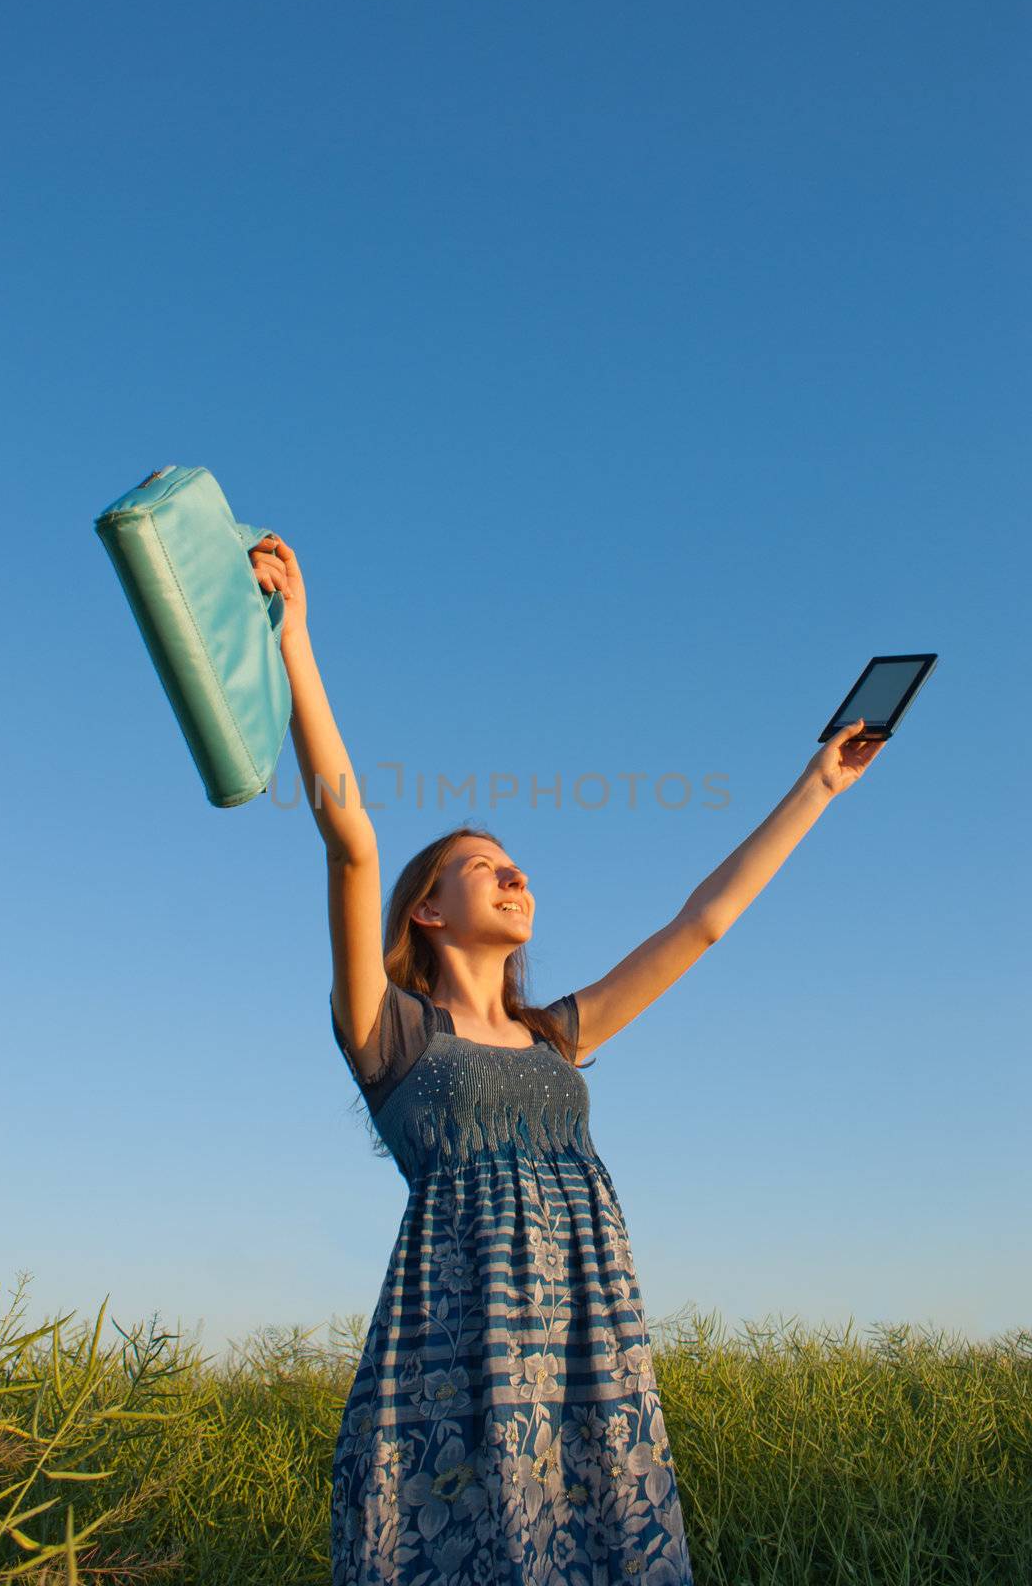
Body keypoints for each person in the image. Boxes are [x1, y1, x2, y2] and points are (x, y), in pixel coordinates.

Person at [248, 534, 885, 1585]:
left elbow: (702, 923)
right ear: (428, 907)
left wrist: (819, 785)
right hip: (460, 1356)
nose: (515, 873)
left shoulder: (557, 1034)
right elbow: (351, 838)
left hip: (592, 1338)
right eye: (483, 866)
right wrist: (295, 641)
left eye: (517, 866)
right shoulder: (390, 1032)